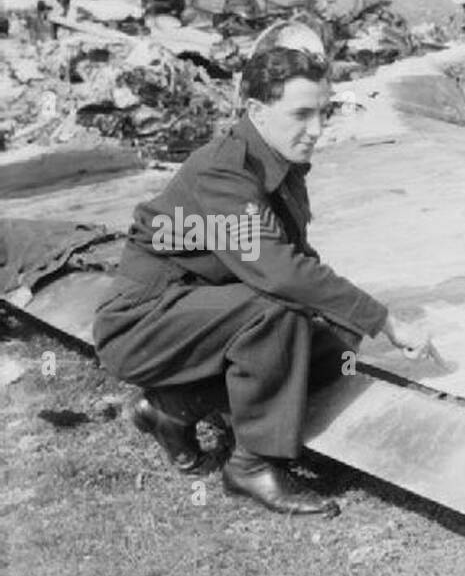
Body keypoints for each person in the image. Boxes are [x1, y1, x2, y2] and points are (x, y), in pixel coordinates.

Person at [93, 46, 437, 516]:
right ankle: (252, 464)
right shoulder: (224, 169)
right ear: (256, 110)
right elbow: (278, 271)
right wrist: (385, 319)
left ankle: (173, 407)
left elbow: (294, 256)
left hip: (202, 307)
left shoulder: (278, 162)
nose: (316, 130)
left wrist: (349, 317)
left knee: (335, 347)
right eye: (301, 114)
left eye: (323, 113)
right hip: (144, 323)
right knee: (279, 313)